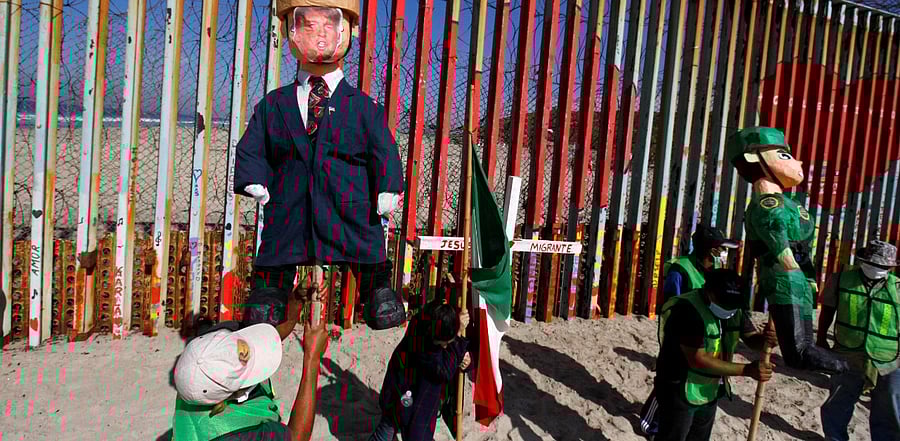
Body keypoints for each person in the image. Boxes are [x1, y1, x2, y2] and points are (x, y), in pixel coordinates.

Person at [232, 0, 406, 331]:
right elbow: (253, 144)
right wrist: (254, 179)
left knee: (366, 244)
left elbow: (384, 149)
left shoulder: (364, 107)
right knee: (278, 245)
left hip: (350, 207)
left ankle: (377, 291)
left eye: (329, 25)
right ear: (290, 32)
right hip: (291, 204)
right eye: (308, 26)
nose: (320, 35)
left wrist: (387, 187)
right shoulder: (274, 104)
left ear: (348, 32)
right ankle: (270, 294)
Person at [727, 126, 848, 374]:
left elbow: (804, 242)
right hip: (784, 273)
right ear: (754, 158)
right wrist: (786, 257)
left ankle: (818, 352)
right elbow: (774, 228)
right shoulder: (766, 200)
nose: (798, 162)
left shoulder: (791, 203)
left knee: (804, 329)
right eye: (784, 155)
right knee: (797, 344)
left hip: (799, 274)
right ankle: (820, 359)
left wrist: (810, 274)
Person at [171, 284, 329, 441]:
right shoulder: (242, 434)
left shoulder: (195, 377)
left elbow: (265, 343)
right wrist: (312, 358)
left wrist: (297, 300)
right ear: (233, 392)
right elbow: (296, 437)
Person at [652, 269, 777, 441]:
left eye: (734, 304)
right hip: (679, 387)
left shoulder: (734, 309)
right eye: (725, 302)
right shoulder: (688, 310)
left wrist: (766, 340)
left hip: (708, 389)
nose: (730, 308)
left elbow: (750, 338)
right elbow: (697, 359)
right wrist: (747, 370)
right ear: (708, 292)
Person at [816, 240, 900, 441]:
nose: (877, 269)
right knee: (838, 402)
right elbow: (828, 309)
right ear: (863, 261)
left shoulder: (897, 288)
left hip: (888, 358)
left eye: (882, 266)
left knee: (889, 408)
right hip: (847, 353)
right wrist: (821, 339)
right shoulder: (841, 280)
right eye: (873, 264)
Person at [370, 300, 473, 441]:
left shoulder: (432, 319)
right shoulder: (423, 341)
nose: (444, 347)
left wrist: (465, 358)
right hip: (405, 388)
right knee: (390, 425)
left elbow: (451, 354)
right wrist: (458, 338)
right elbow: (444, 371)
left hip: (420, 391)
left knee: (405, 426)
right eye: (443, 343)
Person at [662, 224, 739, 302]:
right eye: (723, 249)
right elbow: (671, 304)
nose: (725, 252)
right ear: (713, 251)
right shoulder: (680, 269)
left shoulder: (717, 270)